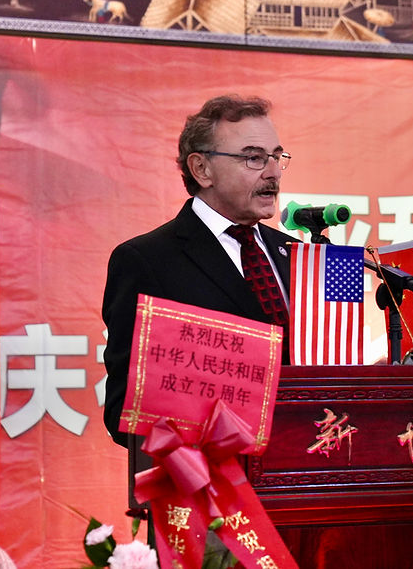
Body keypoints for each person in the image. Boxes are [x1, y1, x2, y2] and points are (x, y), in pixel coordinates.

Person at [101, 95, 298, 447]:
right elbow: (123, 410)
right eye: (254, 158)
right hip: (211, 486)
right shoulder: (146, 260)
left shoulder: (294, 255)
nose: (273, 172)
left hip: (307, 477)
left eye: (276, 157)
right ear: (201, 169)